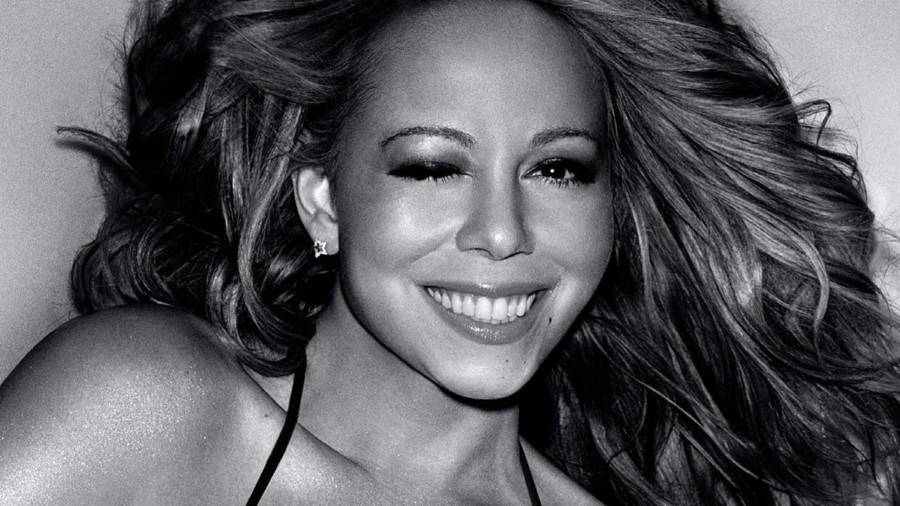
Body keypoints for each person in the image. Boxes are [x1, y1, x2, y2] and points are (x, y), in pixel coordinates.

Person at [1, 0, 898, 503]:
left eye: (557, 169)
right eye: (433, 167)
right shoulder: (142, 404)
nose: (502, 232)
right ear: (323, 202)